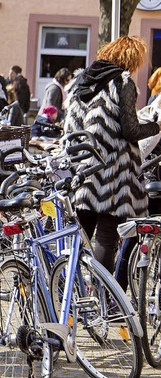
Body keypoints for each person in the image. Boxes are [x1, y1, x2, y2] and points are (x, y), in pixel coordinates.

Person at [63, 35, 161, 280]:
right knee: (107, 235)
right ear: (130, 59)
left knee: (81, 233)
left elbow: (70, 128)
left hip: (83, 168)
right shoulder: (121, 82)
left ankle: (68, 294)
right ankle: (103, 297)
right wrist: (156, 126)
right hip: (113, 172)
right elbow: (130, 130)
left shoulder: (82, 82)